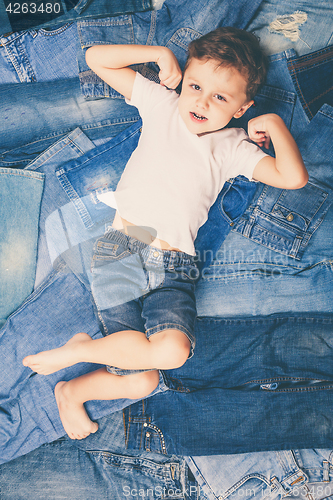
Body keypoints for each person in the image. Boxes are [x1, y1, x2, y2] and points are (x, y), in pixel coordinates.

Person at [22, 27, 308, 441]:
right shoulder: (162, 104)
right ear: (184, 79)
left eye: (220, 98)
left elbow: (292, 177)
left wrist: (275, 125)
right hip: (124, 246)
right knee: (145, 372)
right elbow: (96, 58)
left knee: (154, 371)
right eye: (196, 86)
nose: (202, 101)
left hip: (175, 266)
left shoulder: (233, 147)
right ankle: (74, 379)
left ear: (242, 108)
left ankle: (75, 370)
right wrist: (157, 54)